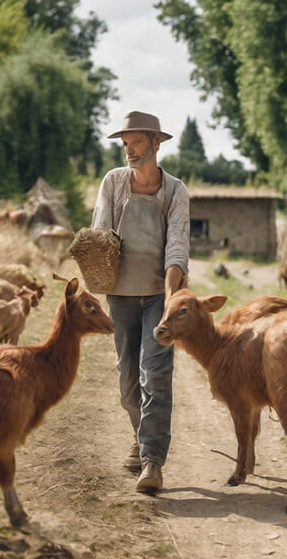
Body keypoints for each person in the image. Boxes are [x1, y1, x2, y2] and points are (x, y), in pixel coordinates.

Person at [92, 110, 189, 493]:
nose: (129, 150)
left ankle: (152, 460)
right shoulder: (114, 183)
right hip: (120, 295)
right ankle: (140, 435)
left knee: (156, 374)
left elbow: (177, 246)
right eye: (125, 143)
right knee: (128, 382)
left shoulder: (175, 190)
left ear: (156, 142)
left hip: (158, 296)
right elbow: (101, 235)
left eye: (135, 142)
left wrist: (169, 298)